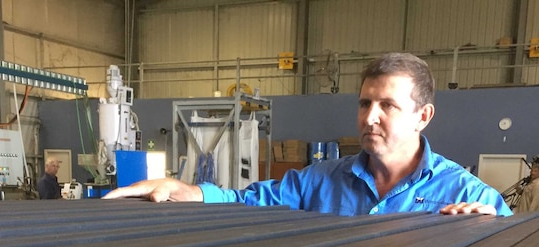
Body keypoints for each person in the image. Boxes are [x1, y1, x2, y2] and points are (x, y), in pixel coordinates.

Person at [106, 52, 511, 217]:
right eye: (364, 103)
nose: (370, 117)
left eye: (387, 106)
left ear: (423, 115)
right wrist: (185, 190)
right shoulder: (317, 182)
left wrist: (491, 233)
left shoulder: (469, 197)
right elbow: (244, 200)